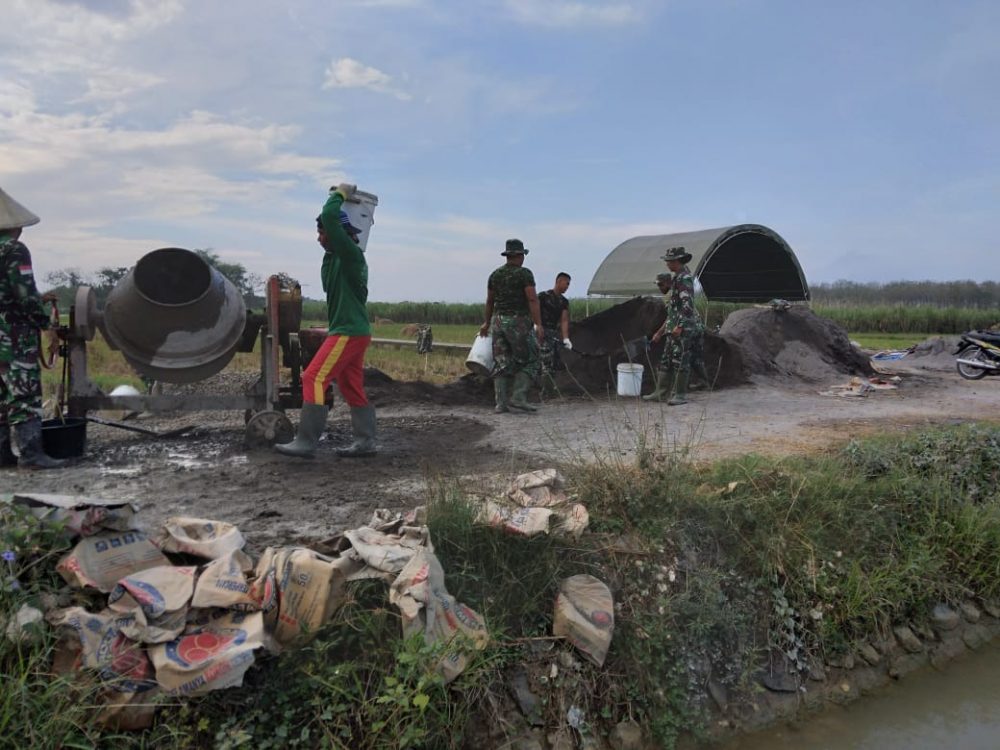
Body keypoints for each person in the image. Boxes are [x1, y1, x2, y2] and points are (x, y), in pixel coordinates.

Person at [276, 184, 376, 458]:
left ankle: (306, 441)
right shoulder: (334, 259)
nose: (319, 238)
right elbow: (331, 226)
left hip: (348, 332)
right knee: (350, 386)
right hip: (350, 331)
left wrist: (339, 195)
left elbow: (332, 218)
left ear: (341, 233)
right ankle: (365, 442)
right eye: (318, 233)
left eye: (323, 233)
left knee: (314, 378)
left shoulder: (352, 256)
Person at [0, 187, 66, 469]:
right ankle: (31, 455)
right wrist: (45, 323)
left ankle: (3, 456)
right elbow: (23, 295)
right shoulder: (14, 249)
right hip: (14, 337)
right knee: (24, 393)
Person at [478, 239, 543, 413]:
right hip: (518, 321)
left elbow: (490, 301)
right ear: (519, 255)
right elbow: (532, 299)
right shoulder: (524, 274)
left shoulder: (495, 275)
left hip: (497, 322)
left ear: (508, 255)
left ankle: (501, 403)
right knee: (532, 358)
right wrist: (538, 324)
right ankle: (519, 397)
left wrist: (486, 322)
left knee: (502, 361)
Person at [643, 246, 705, 405]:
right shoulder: (677, 278)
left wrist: (681, 326)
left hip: (682, 329)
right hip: (673, 328)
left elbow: (687, 304)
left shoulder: (684, 278)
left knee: (681, 360)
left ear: (676, 261)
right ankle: (660, 392)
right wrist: (660, 332)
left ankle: (680, 395)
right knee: (666, 360)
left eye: (668, 261)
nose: (667, 264)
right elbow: (673, 312)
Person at [538, 272, 572, 379]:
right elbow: (533, 311)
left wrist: (566, 338)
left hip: (552, 333)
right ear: (559, 282)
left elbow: (564, 320)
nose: (567, 287)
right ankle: (544, 386)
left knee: (555, 361)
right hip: (540, 331)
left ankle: (550, 385)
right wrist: (536, 325)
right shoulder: (543, 296)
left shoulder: (564, 301)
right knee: (545, 360)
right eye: (566, 283)